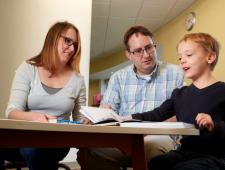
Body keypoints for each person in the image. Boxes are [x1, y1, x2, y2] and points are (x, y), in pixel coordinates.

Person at [77, 25, 184, 170]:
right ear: (129, 55)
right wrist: (99, 116)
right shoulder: (118, 78)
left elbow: (182, 113)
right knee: (92, 150)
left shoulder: (176, 73)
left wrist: (150, 130)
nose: (146, 55)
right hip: (124, 139)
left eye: (149, 47)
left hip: (160, 137)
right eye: (138, 51)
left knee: (152, 146)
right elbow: (108, 112)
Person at [123, 32, 225, 170]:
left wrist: (214, 125)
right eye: (180, 57)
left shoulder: (222, 90)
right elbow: (157, 114)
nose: (182, 60)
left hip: (215, 156)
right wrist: (126, 118)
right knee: (156, 163)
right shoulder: (179, 94)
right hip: (185, 152)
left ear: (210, 57)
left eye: (189, 55)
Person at [0, 21, 86, 170]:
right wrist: (37, 117)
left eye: (75, 45)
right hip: (24, 138)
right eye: (67, 41)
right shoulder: (28, 68)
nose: (72, 49)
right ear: (53, 38)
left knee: (35, 151)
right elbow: (11, 112)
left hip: (56, 143)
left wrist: (89, 121)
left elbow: (80, 120)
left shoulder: (78, 80)